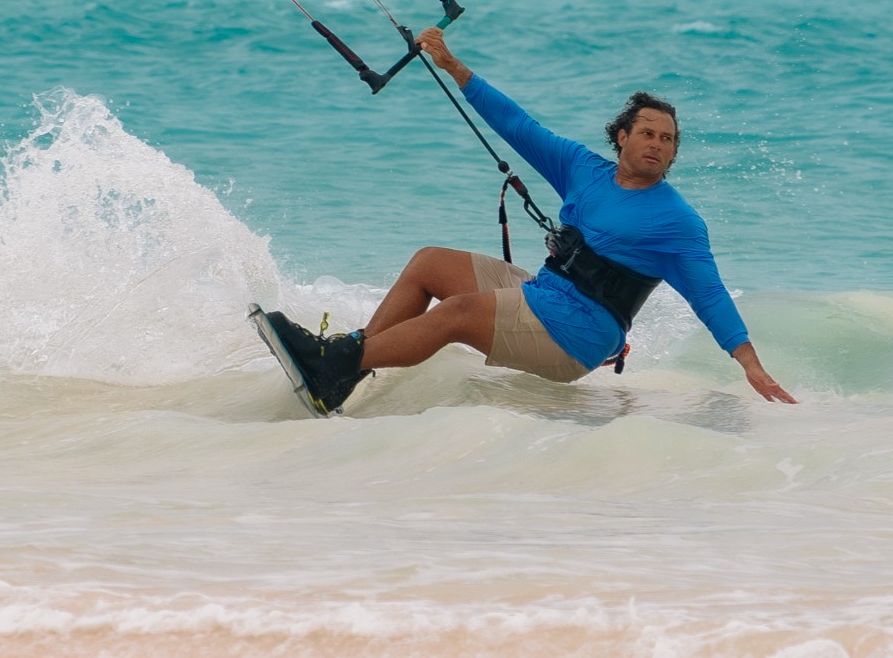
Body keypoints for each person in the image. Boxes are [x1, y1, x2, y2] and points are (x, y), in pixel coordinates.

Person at [260, 28, 795, 412]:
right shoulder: (583, 168)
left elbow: (711, 295)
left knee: (460, 313)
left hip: (579, 334)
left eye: (668, 139)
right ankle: (344, 374)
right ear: (622, 137)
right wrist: (454, 67)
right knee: (429, 264)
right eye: (649, 133)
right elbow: (517, 123)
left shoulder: (677, 221)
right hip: (546, 294)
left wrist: (748, 361)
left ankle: (335, 363)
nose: (658, 144)